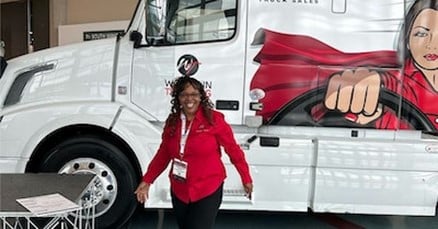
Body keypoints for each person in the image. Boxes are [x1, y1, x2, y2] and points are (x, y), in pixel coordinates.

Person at [135, 76, 253, 229]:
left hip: (207, 187)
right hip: (180, 189)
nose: (189, 99)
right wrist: (147, 180)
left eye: (194, 94)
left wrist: (246, 177)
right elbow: (164, 153)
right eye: (184, 94)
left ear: (201, 97)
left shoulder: (214, 119)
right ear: (178, 98)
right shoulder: (172, 121)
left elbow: (233, 150)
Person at [325, 0, 438, 129]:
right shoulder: (395, 83)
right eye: (421, 34)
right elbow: (381, 82)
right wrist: (359, 88)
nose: (431, 44)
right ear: (407, 40)